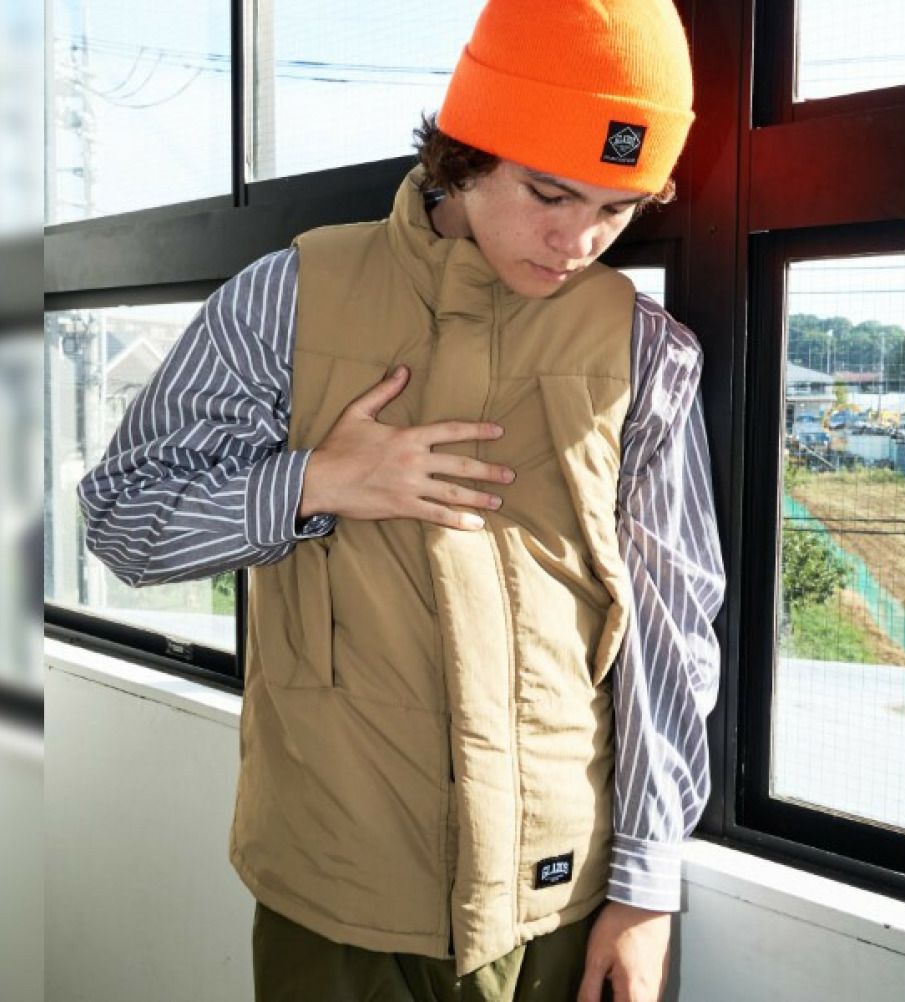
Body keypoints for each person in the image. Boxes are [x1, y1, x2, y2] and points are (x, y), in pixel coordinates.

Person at [78, 1, 725, 999]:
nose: (578, 239)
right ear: (465, 153)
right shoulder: (286, 298)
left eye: (617, 209)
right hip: (332, 892)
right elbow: (124, 520)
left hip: (558, 898)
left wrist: (644, 888)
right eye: (549, 192)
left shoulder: (645, 350)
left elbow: (670, 632)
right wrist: (316, 482)